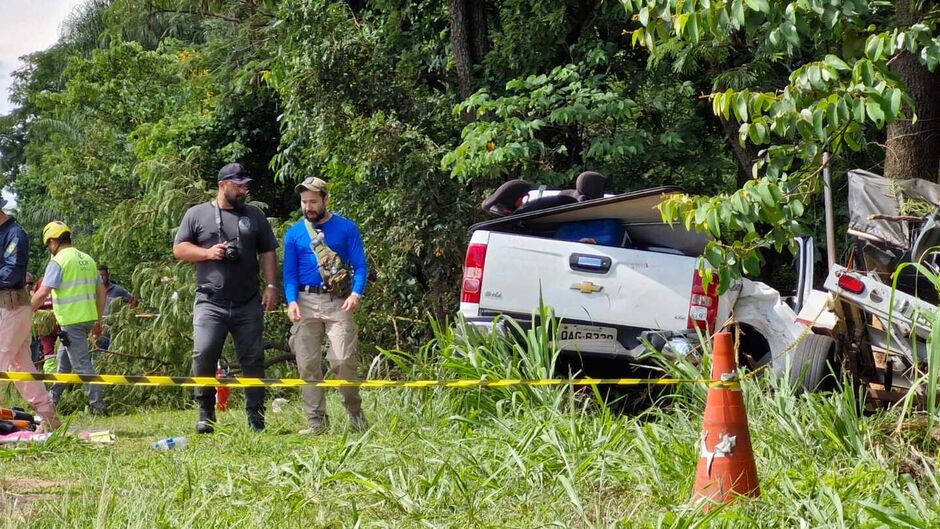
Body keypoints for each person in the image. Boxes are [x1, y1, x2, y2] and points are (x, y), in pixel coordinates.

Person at [173, 162, 279, 433]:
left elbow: (268, 251)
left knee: (253, 358)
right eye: (238, 184)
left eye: (246, 184)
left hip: (248, 301)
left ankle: (256, 417)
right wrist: (208, 253)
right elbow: (180, 248)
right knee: (204, 353)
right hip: (210, 301)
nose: (244, 189)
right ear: (222, 185)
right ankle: (205, 413)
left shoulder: (254, 215)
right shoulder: (197, 214)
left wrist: (270, 286)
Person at [283, 177, 368, 434]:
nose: (308, 207)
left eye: (313, 201)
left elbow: (361, 266)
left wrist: (356, 294)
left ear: (325, 200)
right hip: (305, 301)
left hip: (338, 302)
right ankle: (316, 422)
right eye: (304, 202)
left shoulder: (346, 228)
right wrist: (291, 301)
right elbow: (289, 272)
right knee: (307, 364)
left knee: (342, 361)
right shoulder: (294, 233)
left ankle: (355, 414)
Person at [31, 221, 108, 415]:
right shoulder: (88, 259)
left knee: (82, 365)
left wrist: (24, 313)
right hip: (86, 319)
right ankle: (51, 402)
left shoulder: (58, 261)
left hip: (71, 321)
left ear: (54, 241)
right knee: (63, 364)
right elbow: (102, 292)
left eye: (49, 244)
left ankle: (98, 406)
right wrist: (97, 320)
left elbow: (42, 293)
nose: (49, 248)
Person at [0, 199, 61, 430]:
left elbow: (12, 273)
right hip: (7, 308)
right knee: (21, 367)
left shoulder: (15, 235)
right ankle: (49, 417)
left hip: (11, 307)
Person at [95, 264, 137, 349]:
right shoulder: (94, 290)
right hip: (99, 328)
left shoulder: (117, 290)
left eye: (103, 275)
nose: (101, 278)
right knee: (97, 353)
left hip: (112, 328)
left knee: (111, 351)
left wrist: (127, 314)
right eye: (99, 276)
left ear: (108, 275)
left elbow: (133, 300)